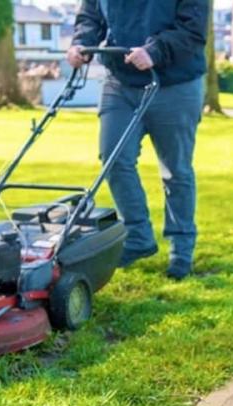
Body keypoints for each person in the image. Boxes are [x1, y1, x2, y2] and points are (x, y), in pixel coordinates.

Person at [67, 0, 209, 280]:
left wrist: (155, 51)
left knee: (175, 170)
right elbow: (90, 17)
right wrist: (81, 44)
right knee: (114, 159)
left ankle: (181, 250)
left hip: (174, 84)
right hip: (119, 82)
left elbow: (192, 31)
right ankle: (138, 236)